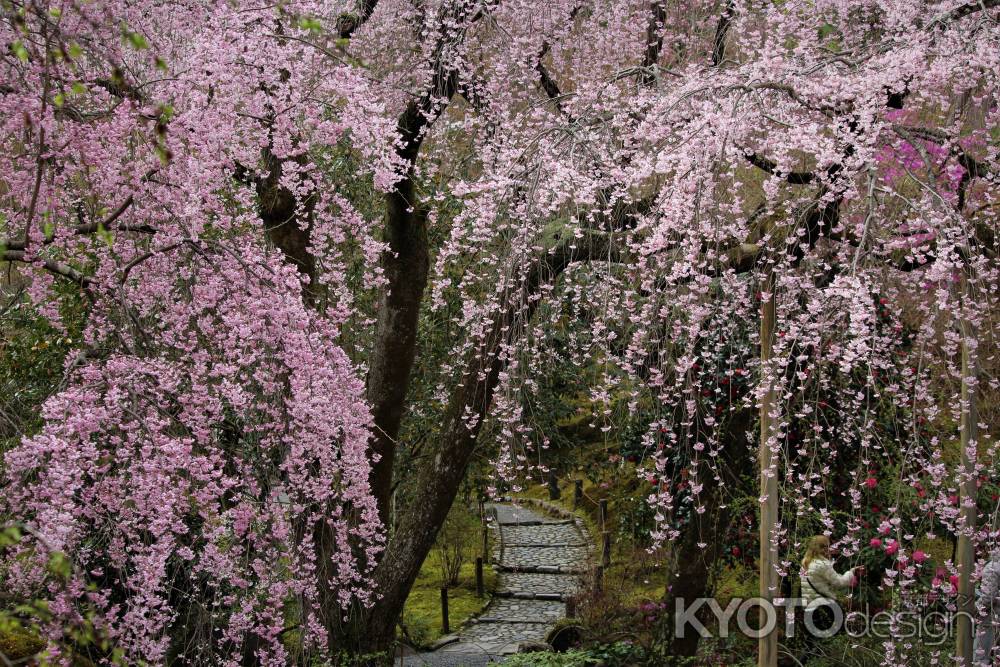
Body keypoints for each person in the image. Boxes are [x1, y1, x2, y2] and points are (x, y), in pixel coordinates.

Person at [800, 535, 862, 635]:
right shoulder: (822, 564)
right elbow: (840, 583)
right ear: (823, 548)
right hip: (824, 605)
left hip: (809, 605)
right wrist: (851, 572)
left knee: (814, 638)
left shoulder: (805, 563)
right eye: (827, 547)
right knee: (830, 634)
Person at [974, 549, 1000, 665]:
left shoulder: (992, 567)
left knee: (982, 656)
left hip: (992, 618)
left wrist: (975, 608)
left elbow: (988, 597)